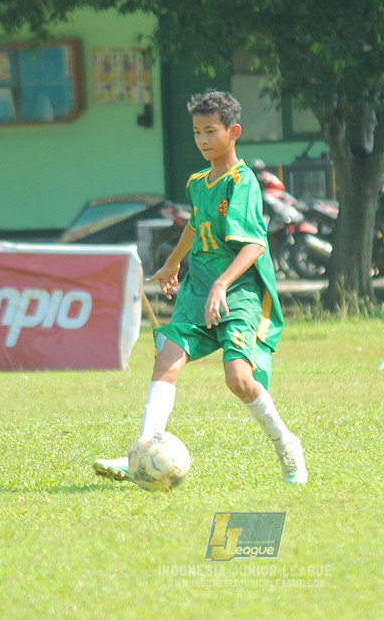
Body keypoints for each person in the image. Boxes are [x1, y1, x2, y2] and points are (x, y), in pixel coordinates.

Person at [93, 91, 307, 485]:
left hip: (239, 290)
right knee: (167, 358)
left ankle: (287, 445)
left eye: (211, 130)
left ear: (233, 132)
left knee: (239, 379)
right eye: (197, 132)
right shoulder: (197, 182)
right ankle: (143, 451)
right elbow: (195, 225)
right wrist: (173, 263)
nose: (203, 139)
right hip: (199, 285)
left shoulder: (242, 183)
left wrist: (222, 285)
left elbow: (255, 244)